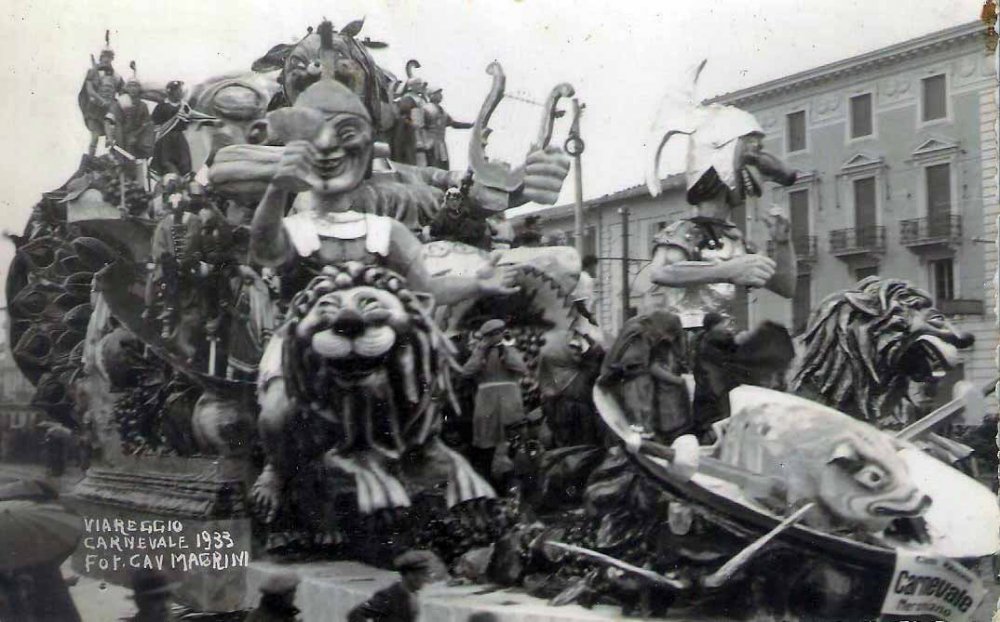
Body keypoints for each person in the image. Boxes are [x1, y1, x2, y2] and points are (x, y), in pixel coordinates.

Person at [460, 319, 528, 480]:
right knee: (487, 444)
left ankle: (514, 478)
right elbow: (467, 372)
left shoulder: (509, 350)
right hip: (487, 402)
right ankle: (489, 479)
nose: (498, 337)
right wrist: (481, 350)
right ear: (487, 337)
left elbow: (522, 368)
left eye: (500, 333)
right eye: (494, 335)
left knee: (513, 440)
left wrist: (507, 352)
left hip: (509, 401)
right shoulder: (479, 352)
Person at [347, 551, 437, 622]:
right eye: (423, 574)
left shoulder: (412, 594)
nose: (426, 580)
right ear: (410, 575)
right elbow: (355, 614)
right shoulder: (388, 595)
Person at [79, 46, 124, 156]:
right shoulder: (93, 72)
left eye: (109, 57)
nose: (107, 59)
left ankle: (113, 155)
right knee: (95, 136)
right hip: (95, 108)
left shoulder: (116, 76)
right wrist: (101, 100)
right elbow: (90, 90)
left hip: (108, 109)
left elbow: (123, 91)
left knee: (113, 134)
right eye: (105, 56)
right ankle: (91, 158)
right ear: (101, 57)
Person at [420, 87, 473, 170]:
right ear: (431, 96)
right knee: (432, 167)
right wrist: (425, 142)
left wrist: (470, 125)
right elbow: (420, 127)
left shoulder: (442, 111)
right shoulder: (426, 109)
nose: (440, 95)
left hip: (441, 143)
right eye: (437, 93)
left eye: (440, 93)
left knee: (443, 166)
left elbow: (453, 124)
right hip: (430, 143)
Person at [151, 81, 193, 176]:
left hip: (179, 137)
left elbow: (188, 121)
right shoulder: (161, 107)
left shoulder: (184, 107)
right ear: (171, 92)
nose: (180, 93)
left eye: (180, 91)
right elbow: (156, 126)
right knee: (166, 162)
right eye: (178, 91)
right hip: (165, 137)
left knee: (184, 162)